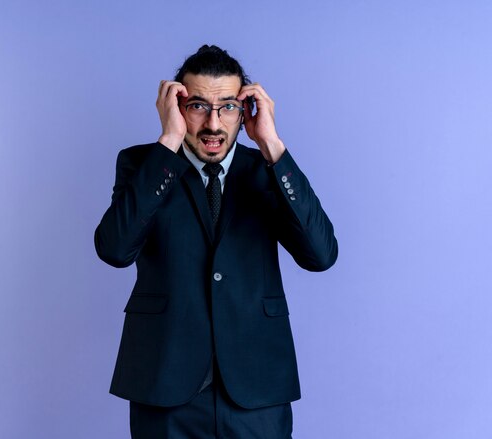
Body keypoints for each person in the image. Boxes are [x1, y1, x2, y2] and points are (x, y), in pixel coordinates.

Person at [95, 45, 338, 438]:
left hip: (256, 387)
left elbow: (321, 255)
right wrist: (169, 140)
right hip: (165, 386)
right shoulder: (144, 165)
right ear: (175, 105)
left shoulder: (268, 171)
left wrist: (272, 145)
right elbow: (114, 249)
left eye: (227, 106)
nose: (213, 123)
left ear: (245, 112)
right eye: (197, 106)